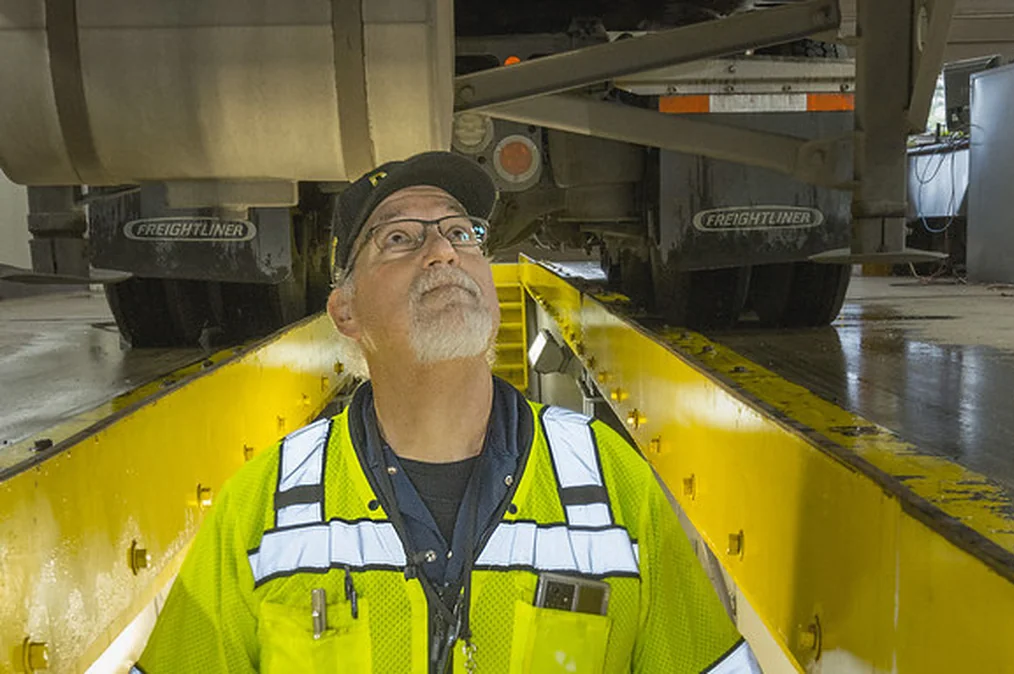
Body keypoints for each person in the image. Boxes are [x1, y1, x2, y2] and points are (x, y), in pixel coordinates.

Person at [133, 151, 762, 673]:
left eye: (462, 234)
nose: (443, 252)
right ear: (345, 312)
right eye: (400, 239)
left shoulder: (610, 482)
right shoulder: (261, 507)